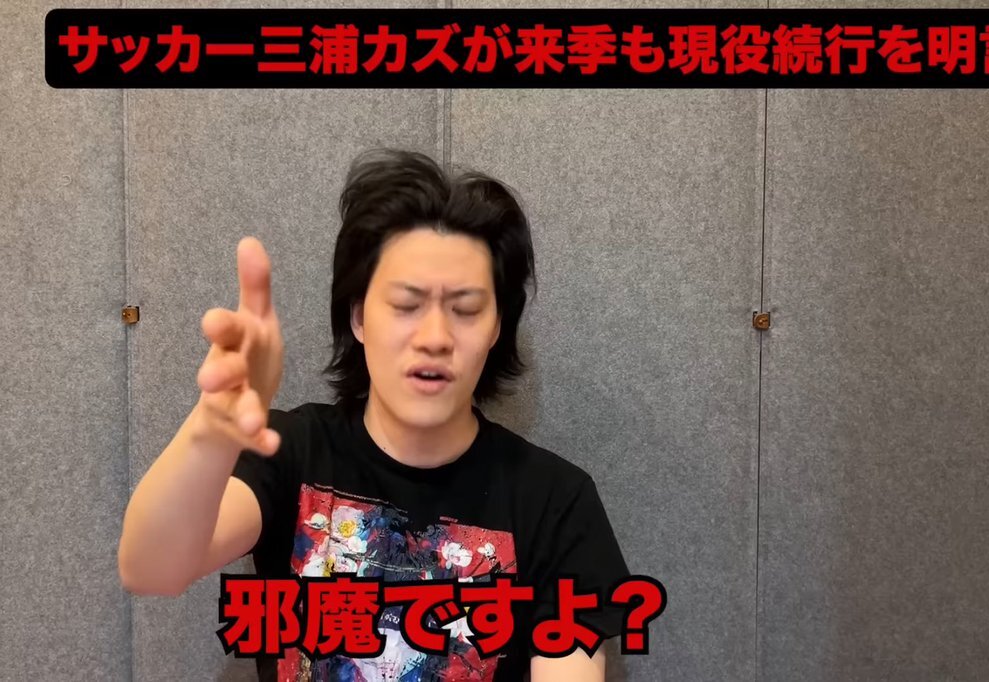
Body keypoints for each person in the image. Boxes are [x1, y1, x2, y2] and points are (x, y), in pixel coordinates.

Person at [118, 148, 631, 681]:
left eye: (465, 309)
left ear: (497, 327)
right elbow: (150, 568)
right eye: (406, 305)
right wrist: (213, 428)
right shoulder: (291, 452)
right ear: (359, 317)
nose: (435, 337)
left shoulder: (555, 501)